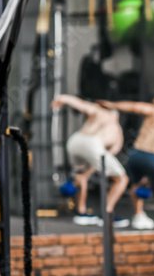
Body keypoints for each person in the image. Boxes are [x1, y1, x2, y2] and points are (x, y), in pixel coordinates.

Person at [98, 94, 154, 231]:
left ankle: (138, 216)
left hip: (135, 154)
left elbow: (134, 107)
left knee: (136, 184)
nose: (153, 104)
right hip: (153, 157)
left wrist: (112, 104)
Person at [52, 95, 130, 227]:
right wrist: (64, 98)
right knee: (121, 179)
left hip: (75, 141)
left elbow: (81, 104)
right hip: (92, 144)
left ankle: (81, 212)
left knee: (81, 175)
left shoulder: (98, 113)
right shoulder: (108, 117)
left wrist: (63, 98)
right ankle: (107, 214)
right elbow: (112, 151)